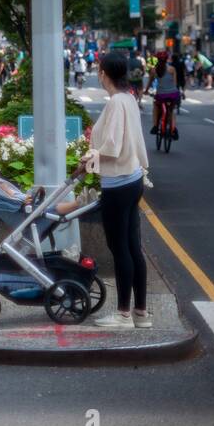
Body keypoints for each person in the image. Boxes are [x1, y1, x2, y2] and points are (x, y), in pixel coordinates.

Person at [83, 52, 151, 329]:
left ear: (103, 73)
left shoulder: (115, 104)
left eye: (99, 71)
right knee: (133, 247)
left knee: (120, 248)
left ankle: (123, 314)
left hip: (118, 183)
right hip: (133, 179)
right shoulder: (130, 98)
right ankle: (141, 313)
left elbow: (111, 146)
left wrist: (86, 162)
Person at [150, 54, 180, 140]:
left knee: (156, 106)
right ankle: (173, 129)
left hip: (161, 95)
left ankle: (155, 126)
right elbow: (175, 83)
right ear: (167, 59)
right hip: (173, 94)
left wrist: (146, 91)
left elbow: (150, 82)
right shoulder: (172, 69)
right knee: (171, 110)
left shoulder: (154, 70)